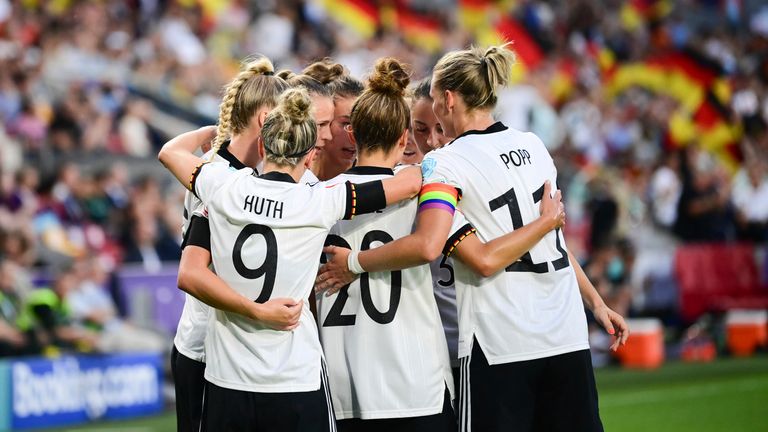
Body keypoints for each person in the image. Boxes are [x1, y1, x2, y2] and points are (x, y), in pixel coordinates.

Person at [318, 44, 628, 432]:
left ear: (448, 99)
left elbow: (467, 254)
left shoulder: (442, 165)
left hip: (500, 340)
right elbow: (555, 243)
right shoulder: (533, 146)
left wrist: (353, 262)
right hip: (565, 333)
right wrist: (595, 302)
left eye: (433, 103)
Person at [158, 87, 421, 432]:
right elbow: (409, 183)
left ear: (264, 146)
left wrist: (211, 133)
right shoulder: (320, 201)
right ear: (310, 156)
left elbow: (169, 152)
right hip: (294, 378)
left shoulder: (222, 186)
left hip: (228, 378)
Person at [316, 57, 456, 432]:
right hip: (416, 381)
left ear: (353, 135)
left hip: (345, 387)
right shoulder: (424, 191)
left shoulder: (314, 200)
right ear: (404, 139)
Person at [171, 56, 290, 432]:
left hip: (227, 346)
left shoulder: (214, 167)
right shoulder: (220, 179)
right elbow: (196, 272)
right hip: (206, 347)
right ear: (265, 118)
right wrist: (257, 311)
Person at [303, 59, 364, 180]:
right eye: (346, 123)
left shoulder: (371, 184)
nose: (355, 134)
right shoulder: (294, 178)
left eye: (361, 124)